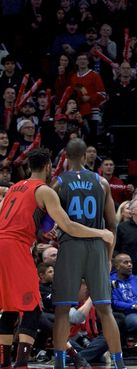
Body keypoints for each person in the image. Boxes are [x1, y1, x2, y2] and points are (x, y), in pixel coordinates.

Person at [0, 148, 113, 369]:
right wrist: (101, 232)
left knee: (10, 307)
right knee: (32, 308)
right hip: (15, 247)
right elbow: (69, 226)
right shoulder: (44, 190)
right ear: (48, 167)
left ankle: (4, 362)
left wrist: (37, 233)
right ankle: (21, 363)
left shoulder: (14, 187)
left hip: (3, 243)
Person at [52, 139, 124, 369]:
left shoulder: (58, 183)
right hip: (96, 246)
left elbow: (45, 219)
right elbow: (112, 225)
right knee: (105, 308)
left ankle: (60, 363)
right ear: (85, 157)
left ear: (66, 157)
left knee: (63, 309)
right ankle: (119, 362)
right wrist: (109, 256)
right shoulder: (102, 182)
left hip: (71, 245)